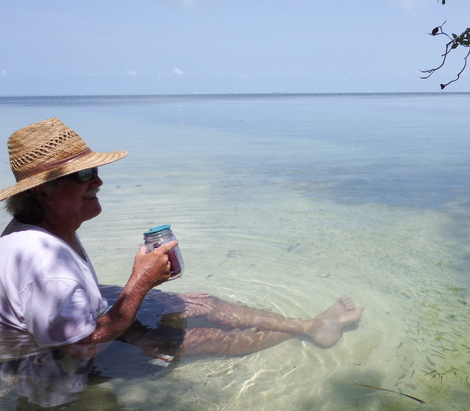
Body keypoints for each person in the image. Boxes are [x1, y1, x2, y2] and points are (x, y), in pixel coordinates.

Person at [0, 117, 363, 372]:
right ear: (44, 192)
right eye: (82, 174)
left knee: (202, 302)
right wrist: (140, 283)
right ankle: (311, 328)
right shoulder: (44, 264)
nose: (98, 180)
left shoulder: (43, 228)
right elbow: (79, 348)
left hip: (81, 320)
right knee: (205, 336)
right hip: (54, 363)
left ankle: (307, 325)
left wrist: (141, 287)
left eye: (94, 169)